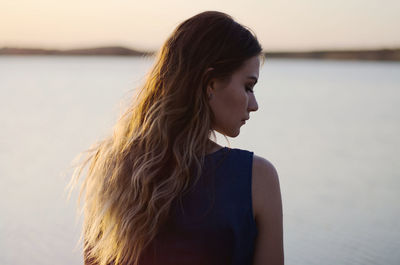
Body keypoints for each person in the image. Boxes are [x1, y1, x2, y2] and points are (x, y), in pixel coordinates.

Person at [70, 10, 283, 265]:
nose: (254, 104)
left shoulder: (111, 167)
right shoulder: (257, 178)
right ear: (211, 83)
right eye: (248, 86)